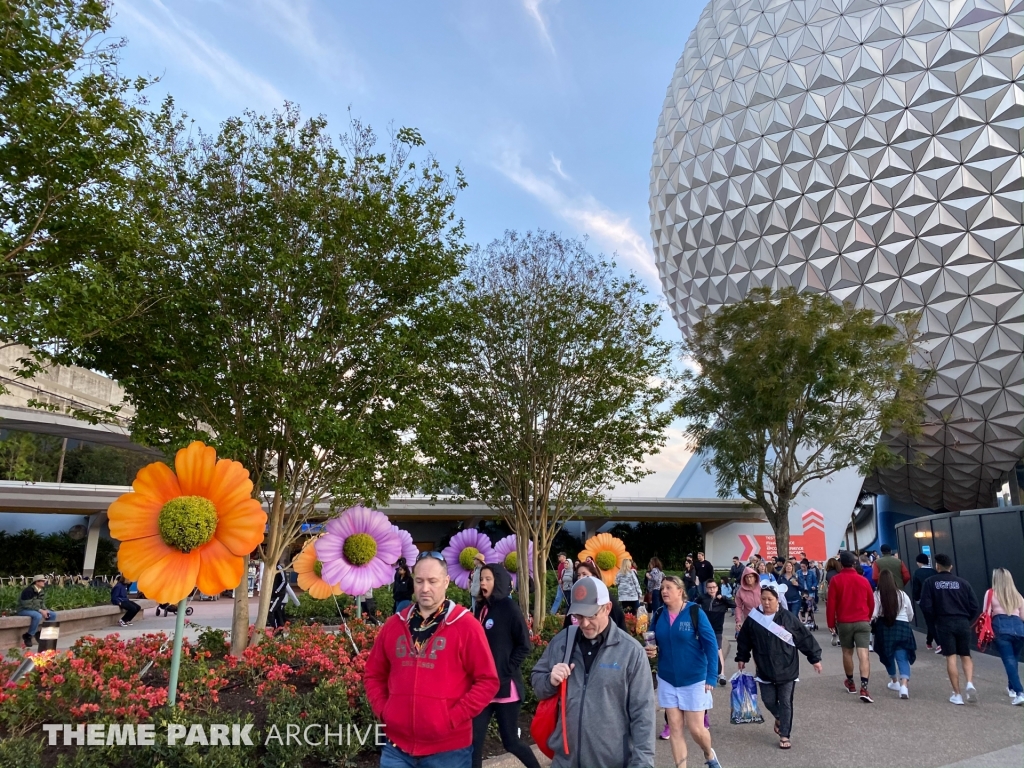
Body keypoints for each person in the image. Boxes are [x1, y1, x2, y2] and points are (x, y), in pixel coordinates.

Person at [365, 551, 499, 768]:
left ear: (446, 582)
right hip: (396, 748)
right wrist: (384, 711)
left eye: (432, 581)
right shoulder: (394, 625)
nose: (425, 588)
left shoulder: (466, 626)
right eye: (419, 581)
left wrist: (452, 718)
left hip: (449, 751)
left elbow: (487, 681)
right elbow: (373, 674)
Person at [531, 576, 656, 768]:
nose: (585, 623)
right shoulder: (562, 642)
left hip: (612, 762)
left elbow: (643, 715)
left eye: (591, 616)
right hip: (565, 761)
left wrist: (642, 764)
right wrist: (550, 680)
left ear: (607, 608)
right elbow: (538, 683)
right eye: (579, 616)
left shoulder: (631, 652)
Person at [646, 575, 722, 768]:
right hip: (668, 678)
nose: (664, 591)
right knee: (675, 728)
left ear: (680, 591)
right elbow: (652, 639)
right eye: (662, 588)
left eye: (669, 587)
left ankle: (709, 754)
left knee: (697, 729)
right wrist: (651, 649)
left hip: (695, 678)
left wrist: (712, 675)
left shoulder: (694, 612)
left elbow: (711, 645)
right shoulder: (659, 613)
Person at [735, 582, 822, 750]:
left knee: (786, 702)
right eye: (763, 599)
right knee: (768, 700)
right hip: (764, 667)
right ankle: (779, 717)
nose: (766, 603)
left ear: (777, 600)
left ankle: (784, 734)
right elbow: (745, 640)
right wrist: (742, 657)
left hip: (787, 667)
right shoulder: (754, 618)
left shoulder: (788, 618)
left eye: (770, 599)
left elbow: (804, 638)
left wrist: (815, 659)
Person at [471, 564, 541, 768]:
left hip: (506, 689)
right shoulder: (480, 609)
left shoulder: (509, 608)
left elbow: (524, 645)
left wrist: (506, 669)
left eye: (488, 579)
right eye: (481, 579)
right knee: (473, 743)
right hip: (483, 688)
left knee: (511, 742)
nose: (483, 583)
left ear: (498, 581)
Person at [920, 553, 980, 706]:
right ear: (951, 567)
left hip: (944, 622)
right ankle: (970, 683)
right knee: (966, 655)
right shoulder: (963, 583)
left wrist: (935, 619)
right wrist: (967, 618)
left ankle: (957, 694)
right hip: (962, 621)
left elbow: (926, 605)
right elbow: (974, 606)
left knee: (951, 657)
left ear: (937, 566)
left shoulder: (930, 582)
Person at [826, 550, 876, 702]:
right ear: (855, 563)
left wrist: (830, 623)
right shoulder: (863, 580)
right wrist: (867, 617)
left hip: (844, 622)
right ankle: (865, 687)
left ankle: (851, 682)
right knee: (864, 654)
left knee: (847, 653)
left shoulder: (836, 580)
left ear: (841, 563)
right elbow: (871, 602)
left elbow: (831, 604)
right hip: (862, 620)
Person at [871, 569, 916, 699]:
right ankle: (904, 686)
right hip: (902, 626)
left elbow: (873, 614)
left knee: (887, 655)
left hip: (884, 628)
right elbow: (910, 614)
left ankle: (894, 681)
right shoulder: (902, 594)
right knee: (902, 657)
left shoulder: (877, 595)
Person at [984, 568, 1024, 706]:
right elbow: (1023, 616)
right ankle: (1012, 688)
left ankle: (1020, 692)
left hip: (1001, 628)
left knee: (1008, 661)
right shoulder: (1018, 596)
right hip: (1019, 629)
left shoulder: (991, 593)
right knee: (1014, 660)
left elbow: (986, 613)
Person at [563, 561, 626, 631]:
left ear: (594, 576)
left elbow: (618, 619)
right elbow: (567, 625)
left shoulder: (604, 595)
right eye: (578, 575)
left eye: (584, 574)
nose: (581, 578)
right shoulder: (575, 596)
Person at [698, 579, 735, 686]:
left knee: (718, 649)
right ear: (706, 588)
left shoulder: (722, 600)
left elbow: (734, 604)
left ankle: (721, 674)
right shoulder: (703, 598)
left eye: (714, 587)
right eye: (709, 588)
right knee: (705, 649)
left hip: (717, 629)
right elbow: (693, 604)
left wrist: (723, 598)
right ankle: (707, 672)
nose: (711, 589)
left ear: (717, 588)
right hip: (705, 629)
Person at [17, 575, 57, 648]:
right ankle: (28, 636)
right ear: (36, 582)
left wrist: (45, 610)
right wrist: (41, 611)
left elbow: (41, 603)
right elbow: (27, 605)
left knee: (53, 615)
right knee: (37, 616)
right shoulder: (28, 591)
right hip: (24, 610)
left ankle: (42, 634)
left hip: (36, 609)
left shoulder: (41, 590)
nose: (44, 582)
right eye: (42, 581)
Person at [911, 553, 939, 652]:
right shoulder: (934, 572)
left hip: (924, 601)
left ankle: (939, 643)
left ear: (919, 562)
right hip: (936, 600)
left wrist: (917, 600)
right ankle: (929, 641)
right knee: (933, 620)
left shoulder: (917, 573)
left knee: (930, 621)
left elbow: (916, 588)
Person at [734, 566, 762, 636]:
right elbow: (738, 606)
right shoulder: (740, 591)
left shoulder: (762, 587)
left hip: (764, 618)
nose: (749, 579)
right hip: (750, 619)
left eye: (751, 576)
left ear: (755, 577)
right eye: (746, 577)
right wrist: (738, 621)